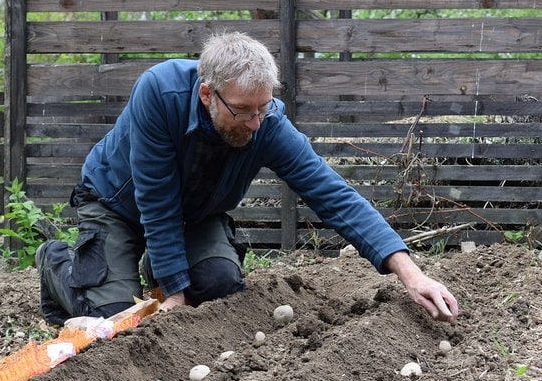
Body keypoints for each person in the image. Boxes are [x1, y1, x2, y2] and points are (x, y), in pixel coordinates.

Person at [35, 31, 459, 325]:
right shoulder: (159, 94)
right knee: (113, 319)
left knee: (219, 284)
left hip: (197, 213)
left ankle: (160, 267)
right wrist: (175, 295)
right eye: (244, 111)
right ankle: (56, 260)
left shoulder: (267, 122)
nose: (256, 123)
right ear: (207, 94)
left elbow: (333, 193)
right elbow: (155, 197)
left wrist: (411, 274)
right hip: (117, 203)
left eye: (264, 107)